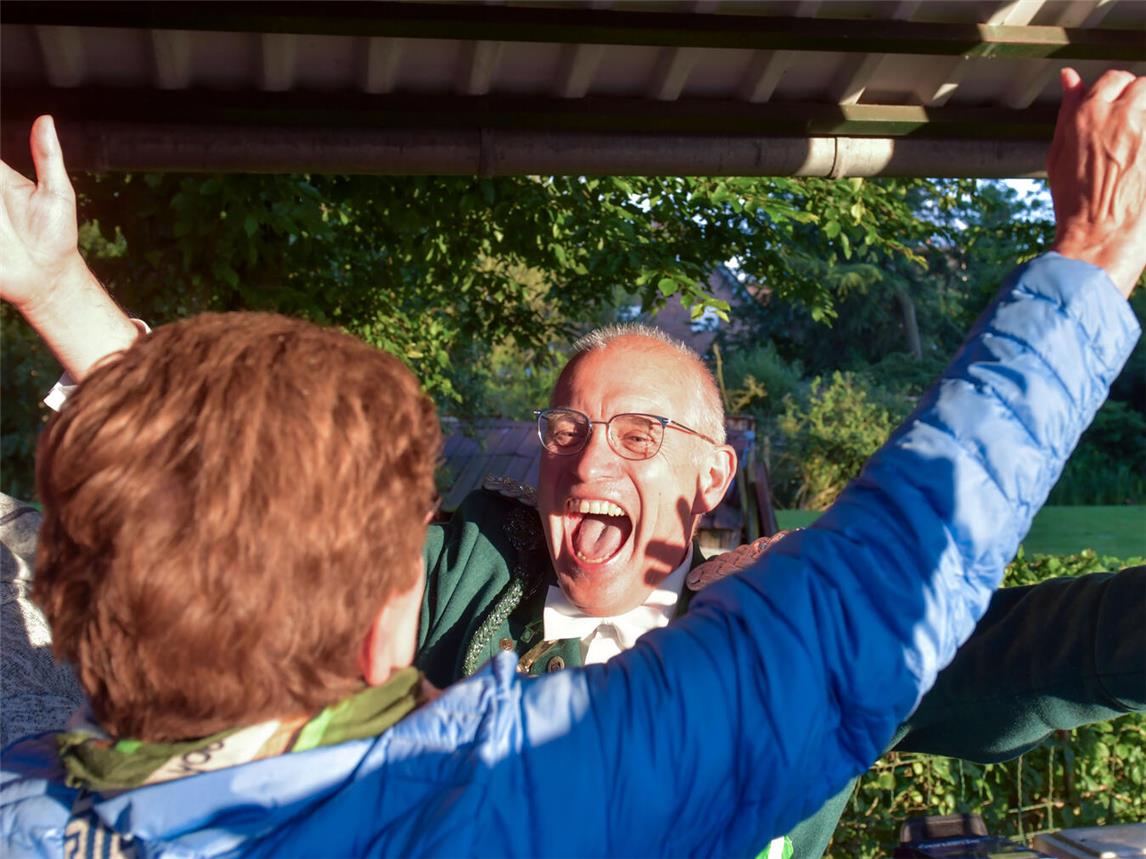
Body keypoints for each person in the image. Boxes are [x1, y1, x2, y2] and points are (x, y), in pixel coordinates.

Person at [1, 68, 1143, 857]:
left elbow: (1055, 649)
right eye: (566, 428)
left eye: (641, 434)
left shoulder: (769, 599)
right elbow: (235, 499)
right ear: (377, 626)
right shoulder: (463, 576)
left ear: (713, 478)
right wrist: (1089, 257)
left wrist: (56, 288)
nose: (587, 452)